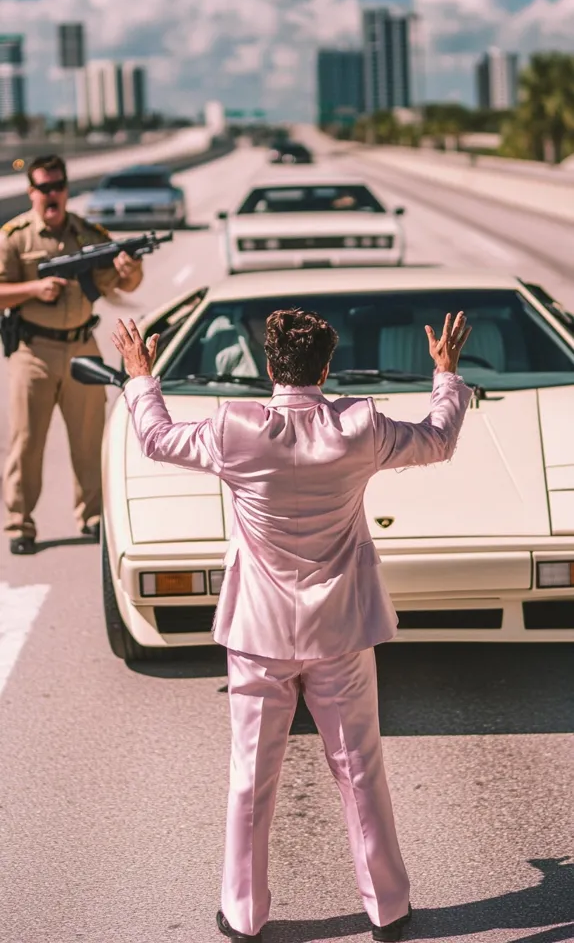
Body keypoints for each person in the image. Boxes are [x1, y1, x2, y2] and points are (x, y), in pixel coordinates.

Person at [113, 307, 473, 943]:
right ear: (326, 369)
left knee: (251, 776)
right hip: (341, 630)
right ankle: (387, 909)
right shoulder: (359, 426)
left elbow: (156, 438)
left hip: (258, 632)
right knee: (359, 770)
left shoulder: (235, 429)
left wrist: (141, 376)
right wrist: (445, 374)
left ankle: (244, 914)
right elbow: (438, 438)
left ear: (269, 367)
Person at [0, 154, 144, 555]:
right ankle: (19, 523)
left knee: (88, 437)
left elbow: (124, 284)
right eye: (44, 187)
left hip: (82, 345)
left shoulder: (88, 234)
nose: (52, 194)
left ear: (66, 189)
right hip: (34, 351)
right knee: (27, 441)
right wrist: (33, 289)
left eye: (58, 186)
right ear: (31, 192)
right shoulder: (14, 237)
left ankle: (92, 515)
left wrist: (130, 269)